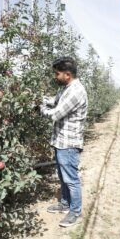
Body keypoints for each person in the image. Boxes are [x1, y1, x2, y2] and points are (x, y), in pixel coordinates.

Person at [40, 56, 88, 227]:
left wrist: (41, 109)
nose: (55, 76)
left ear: (67, 74)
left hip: (68, 144)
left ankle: (75, 211)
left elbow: (55, 113)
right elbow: (53, 101)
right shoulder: (66, 88)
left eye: (57, 73)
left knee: (71, 179)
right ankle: (65, 203)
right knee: (62, 176)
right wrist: (38, 98)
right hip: (60, 141)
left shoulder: (76, 91)